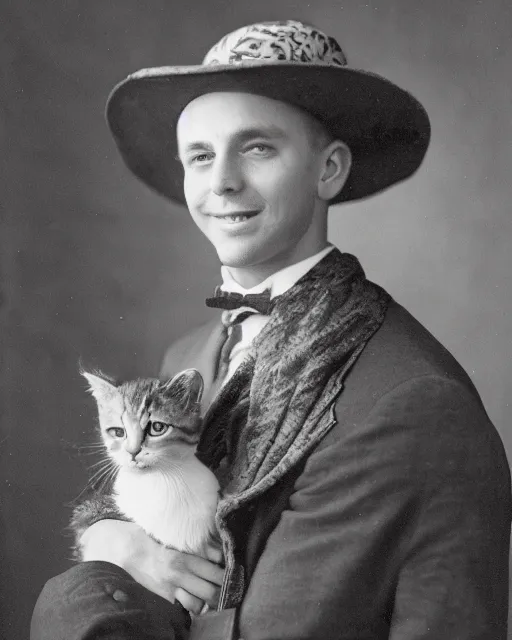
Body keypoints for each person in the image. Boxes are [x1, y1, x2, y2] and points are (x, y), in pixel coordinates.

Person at [31, 19, 511, 640]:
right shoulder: (190, 356)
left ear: (329, 169)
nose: (222, 181)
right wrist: (112, 540)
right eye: (200, 156)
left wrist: (94, 583)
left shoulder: (413, 398)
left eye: (257, 148)